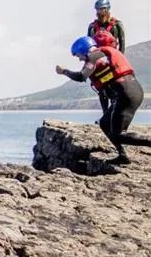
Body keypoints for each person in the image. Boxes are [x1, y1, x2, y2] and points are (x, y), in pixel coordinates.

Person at [56, 36, 145, 165]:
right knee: (104, 123)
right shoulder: (103, 54)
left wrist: (64, 71)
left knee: (118, 134)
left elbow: (81, 76)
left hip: (126, 93)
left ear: (82, 49)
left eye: (78, 55)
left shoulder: (94, 56)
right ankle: (122, 155)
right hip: (128, 91)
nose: (80, 59)